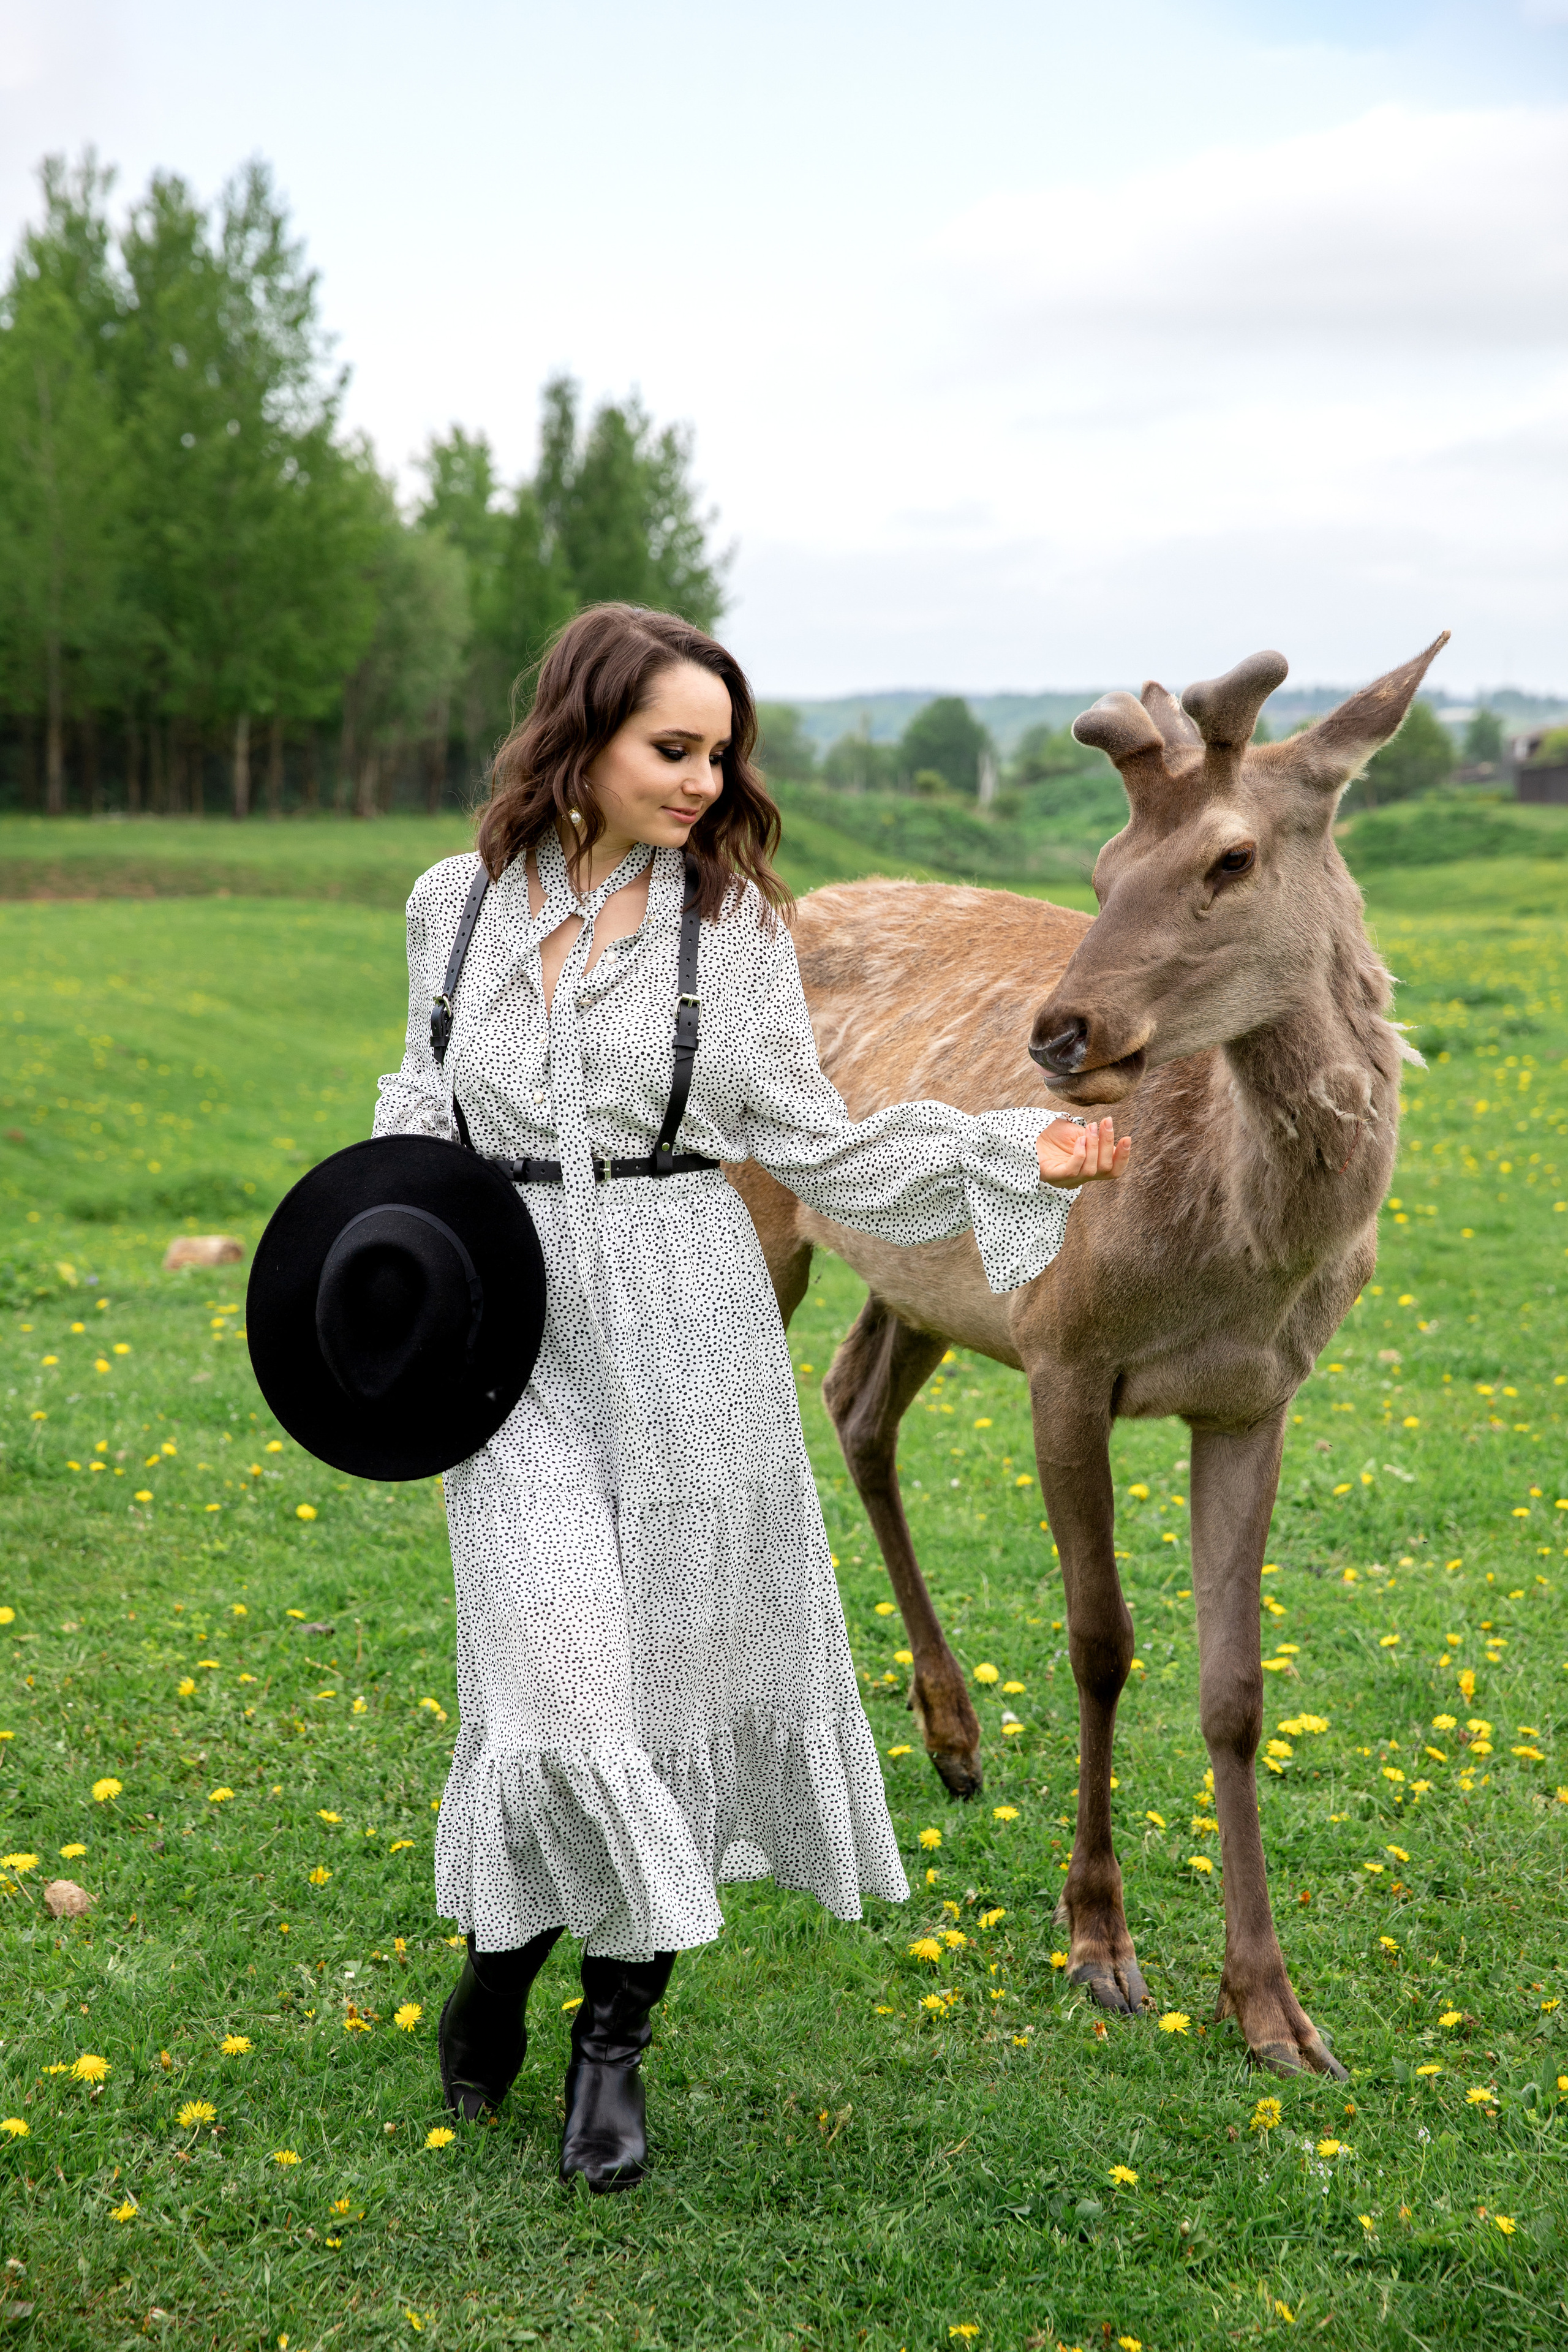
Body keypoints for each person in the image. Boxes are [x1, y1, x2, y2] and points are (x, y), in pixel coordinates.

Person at [373, 604, 1128, 2192]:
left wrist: (1014, 1149)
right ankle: (502, 1962)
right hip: (507, 1333)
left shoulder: (733, 929)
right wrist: (375, 1278)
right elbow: (419, 1110)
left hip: (692, 1331)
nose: (706, 781)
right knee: (556, 1689)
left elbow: (816, 1142)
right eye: (674, 747)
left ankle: (613, 2039)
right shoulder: (454, 903)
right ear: (580, 736)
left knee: (662, 1701)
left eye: (722, 754)